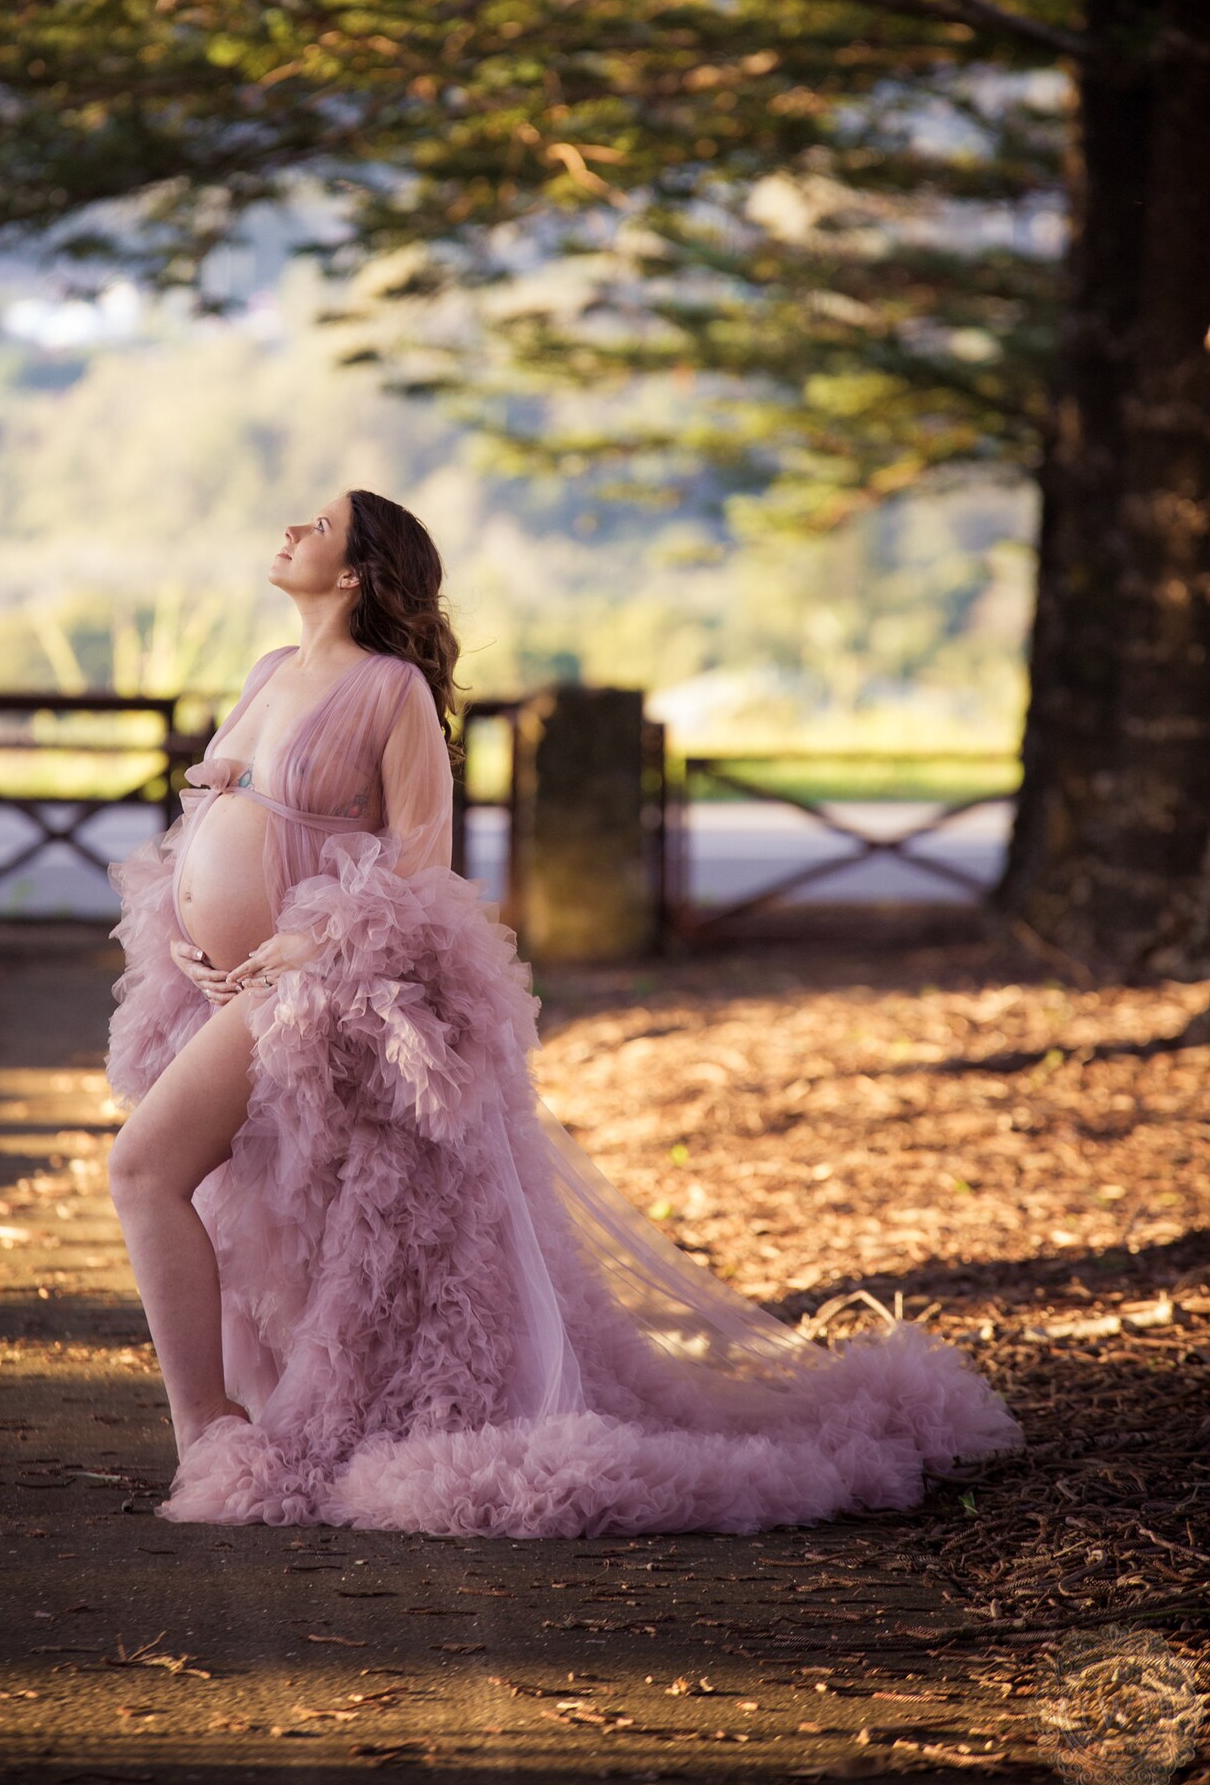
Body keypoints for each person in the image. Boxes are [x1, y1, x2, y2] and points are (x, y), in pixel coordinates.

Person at [105, 489, 1020, 1537]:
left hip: (315, 989)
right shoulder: (269, 672)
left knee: (143, 1166)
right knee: (244, 1208)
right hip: (229, 983)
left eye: (313, 526)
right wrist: (187, 930)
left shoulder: (389, 689)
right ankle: (228, 1418)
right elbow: (222, 820)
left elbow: (418, 863)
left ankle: (205, 1436)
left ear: (357, 571)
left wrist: (299, 945)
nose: (285, 532)